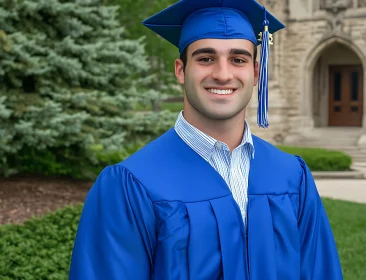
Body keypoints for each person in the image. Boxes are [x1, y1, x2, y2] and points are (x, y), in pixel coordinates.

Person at [68, 0, 343, 279]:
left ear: (256, 72)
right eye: (205, 58)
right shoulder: (130, 185)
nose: (223, 75)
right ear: (180, 70)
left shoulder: (292, 177)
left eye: (238, 60)